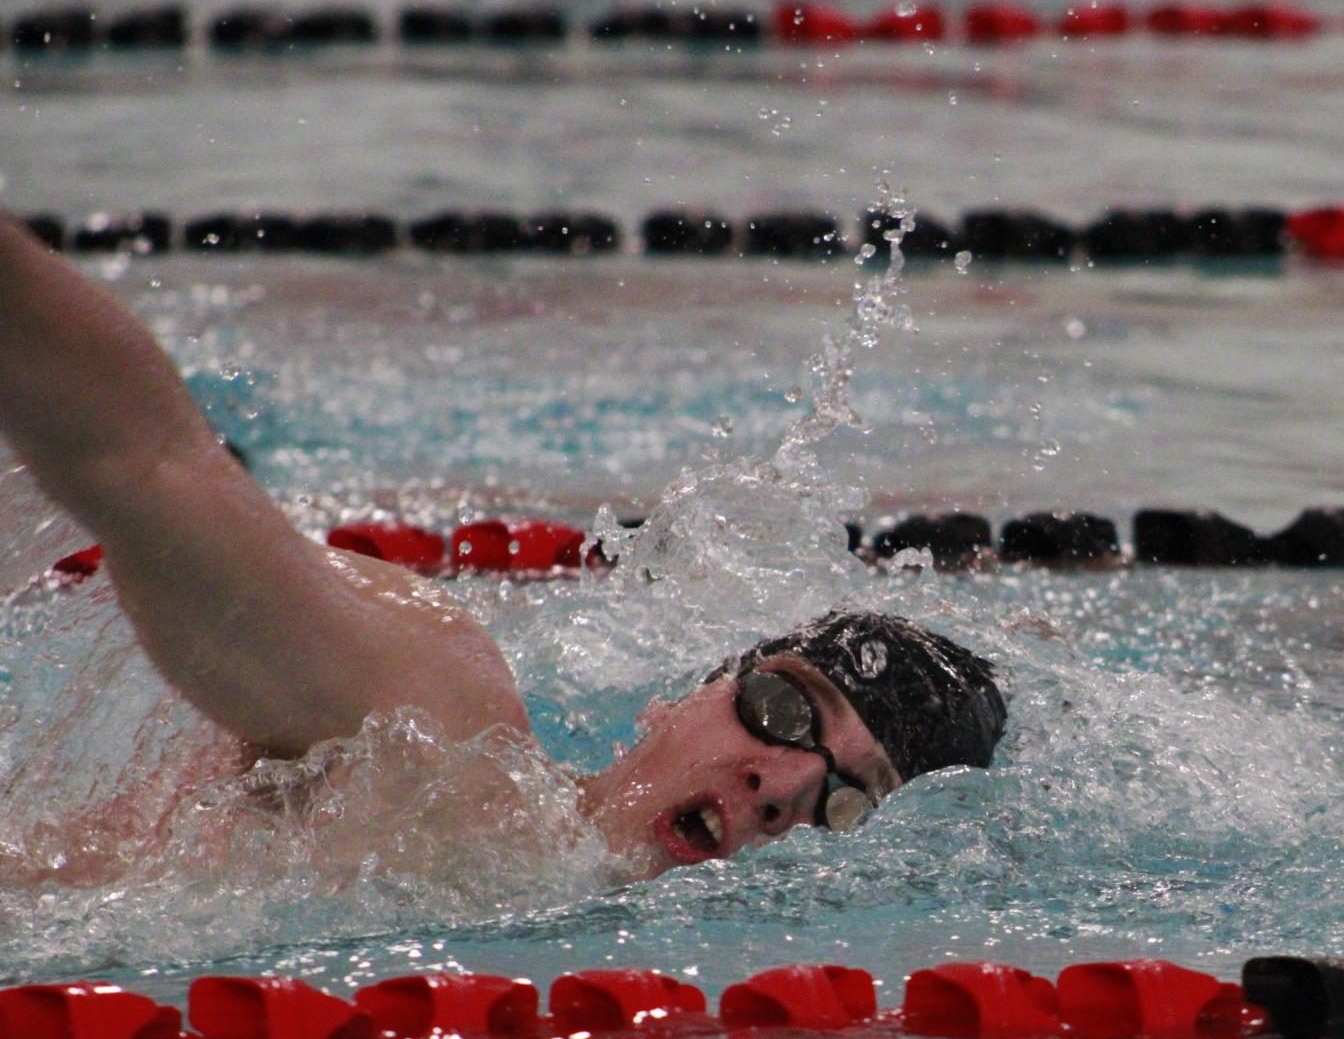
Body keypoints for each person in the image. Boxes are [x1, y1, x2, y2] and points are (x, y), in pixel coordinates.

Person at [0, 215, 1006, 880]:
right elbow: (146, 466)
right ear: (686, 693)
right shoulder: (431, 728)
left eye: (845, 799)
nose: (782, 784)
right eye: (783, 709)